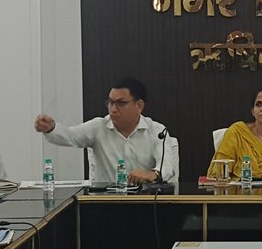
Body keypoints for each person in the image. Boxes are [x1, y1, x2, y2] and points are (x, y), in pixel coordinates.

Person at [35, 77, 179, 185]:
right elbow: (70, 136)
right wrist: (51, 128)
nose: (113, 109)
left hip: (146, 202)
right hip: (106, 202)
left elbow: (167, 165)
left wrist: (153, 174)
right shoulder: (98, 127)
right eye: (110, 102)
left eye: (121, 103)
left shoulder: (157, 131)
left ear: (139, 106)